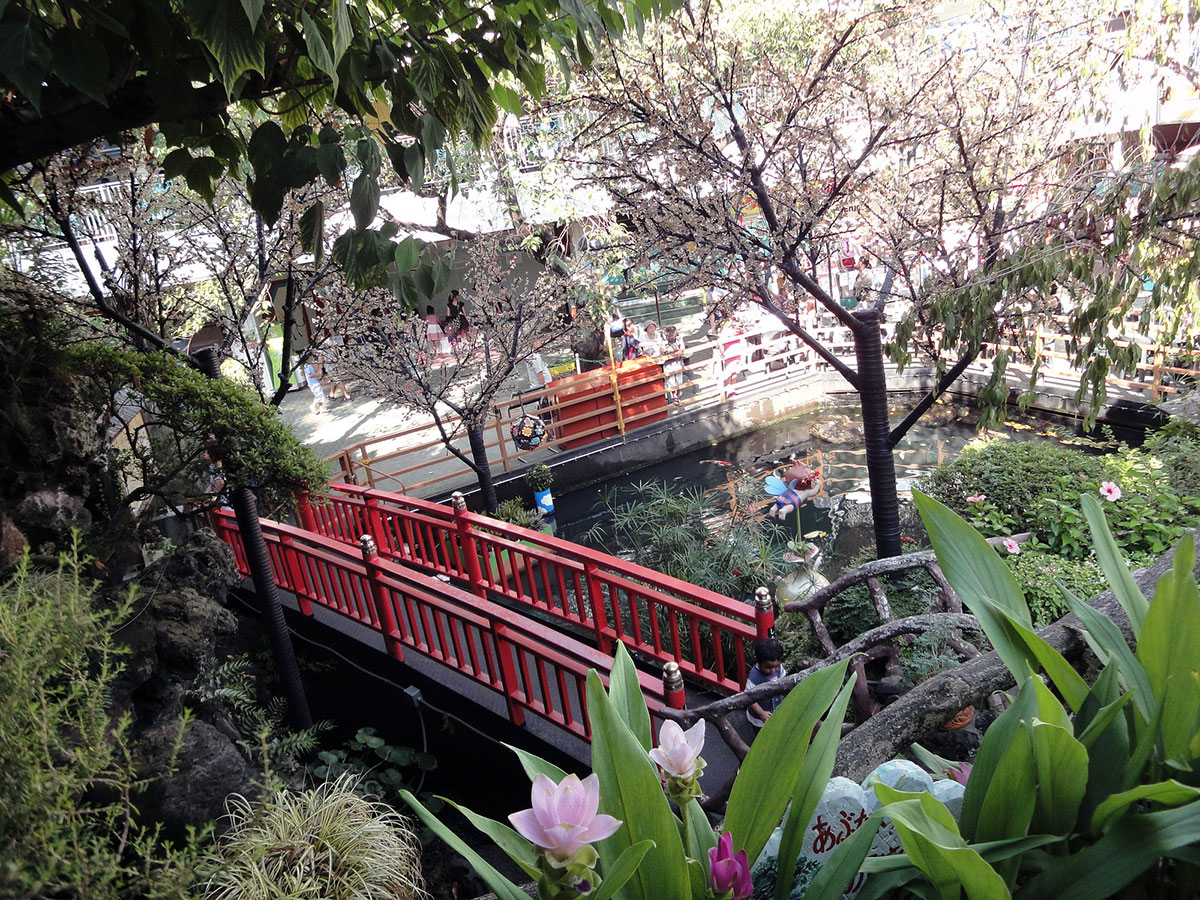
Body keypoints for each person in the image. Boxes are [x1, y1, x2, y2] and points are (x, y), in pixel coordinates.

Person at [746, 638, 786, 728]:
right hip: (760, 716)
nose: (773, 670)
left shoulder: (779, 670)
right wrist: (761, 713)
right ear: (759, 662)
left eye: (777, 666)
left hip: (775, 708)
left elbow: (784, 681)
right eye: (768, 667)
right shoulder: (754, 678)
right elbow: (749, 699)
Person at [662, 324, 685, 404]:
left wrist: (680, 350)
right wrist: (667, 350)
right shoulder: (663, 340)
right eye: (669, 337)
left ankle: (677, 396)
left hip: (678, 362)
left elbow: (682, 347)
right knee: (671, 382)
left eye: (672, 337)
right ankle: (674, 396)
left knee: (679, 382)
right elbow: (661, 350)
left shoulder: (679, 338)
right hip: (669, 364)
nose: (671, 339)